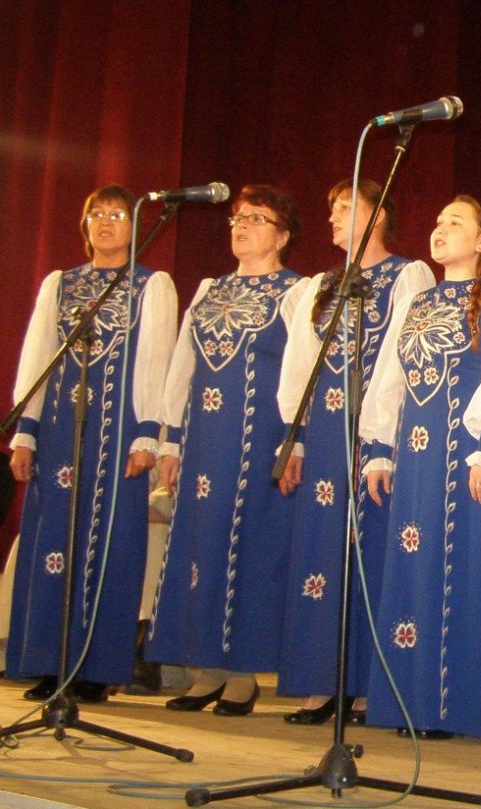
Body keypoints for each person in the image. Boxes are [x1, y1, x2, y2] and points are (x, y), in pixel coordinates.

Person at [360, 195, 481, 739]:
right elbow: (389, 377)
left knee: (459, 566)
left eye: (455, 222)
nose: (440, 228)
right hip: (414, 457)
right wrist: (379, 447)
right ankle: (407, 699)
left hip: (465, 454)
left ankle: (451, 703)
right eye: (437, 220)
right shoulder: (417, 302)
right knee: (412, 564)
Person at [7, 185, 177, 702]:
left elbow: (156, 360)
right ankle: (48, 661)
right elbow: (38, 358)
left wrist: (148, 433)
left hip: (119, 431)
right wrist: (26, 431)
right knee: (51, 542)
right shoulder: (61, 284)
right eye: (97, 214)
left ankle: (96, 669)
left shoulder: (150, 285)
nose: (106, 222)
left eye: (118, 215)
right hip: (59, 430)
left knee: (109, 545)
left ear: (135, 226)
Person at [274, 179, 434, 725]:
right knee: (322, 549)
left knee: (372, 549)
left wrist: (384, 434)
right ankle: (322, 680)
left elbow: (404, 356)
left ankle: (367, 684)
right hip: (324, 428)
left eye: (348, 207)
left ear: (378, 214)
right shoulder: (321, 285)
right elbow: (300, 364)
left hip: (379, 429)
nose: (334, 217)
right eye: (333, 209)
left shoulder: (407, 276)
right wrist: (294, 435)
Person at [147, 184, 308, 715]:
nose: (242, 226)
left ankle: (242, 673)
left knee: (254, 548)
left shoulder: (297, 292)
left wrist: (296, 438)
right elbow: (183, 366)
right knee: (201, 545)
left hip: (261, 437)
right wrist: (171, 439)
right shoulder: (209, 290)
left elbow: (304, 372)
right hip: (203, 440)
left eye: (257, 218)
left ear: (282, 235)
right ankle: (205, 668)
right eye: (238, 218)